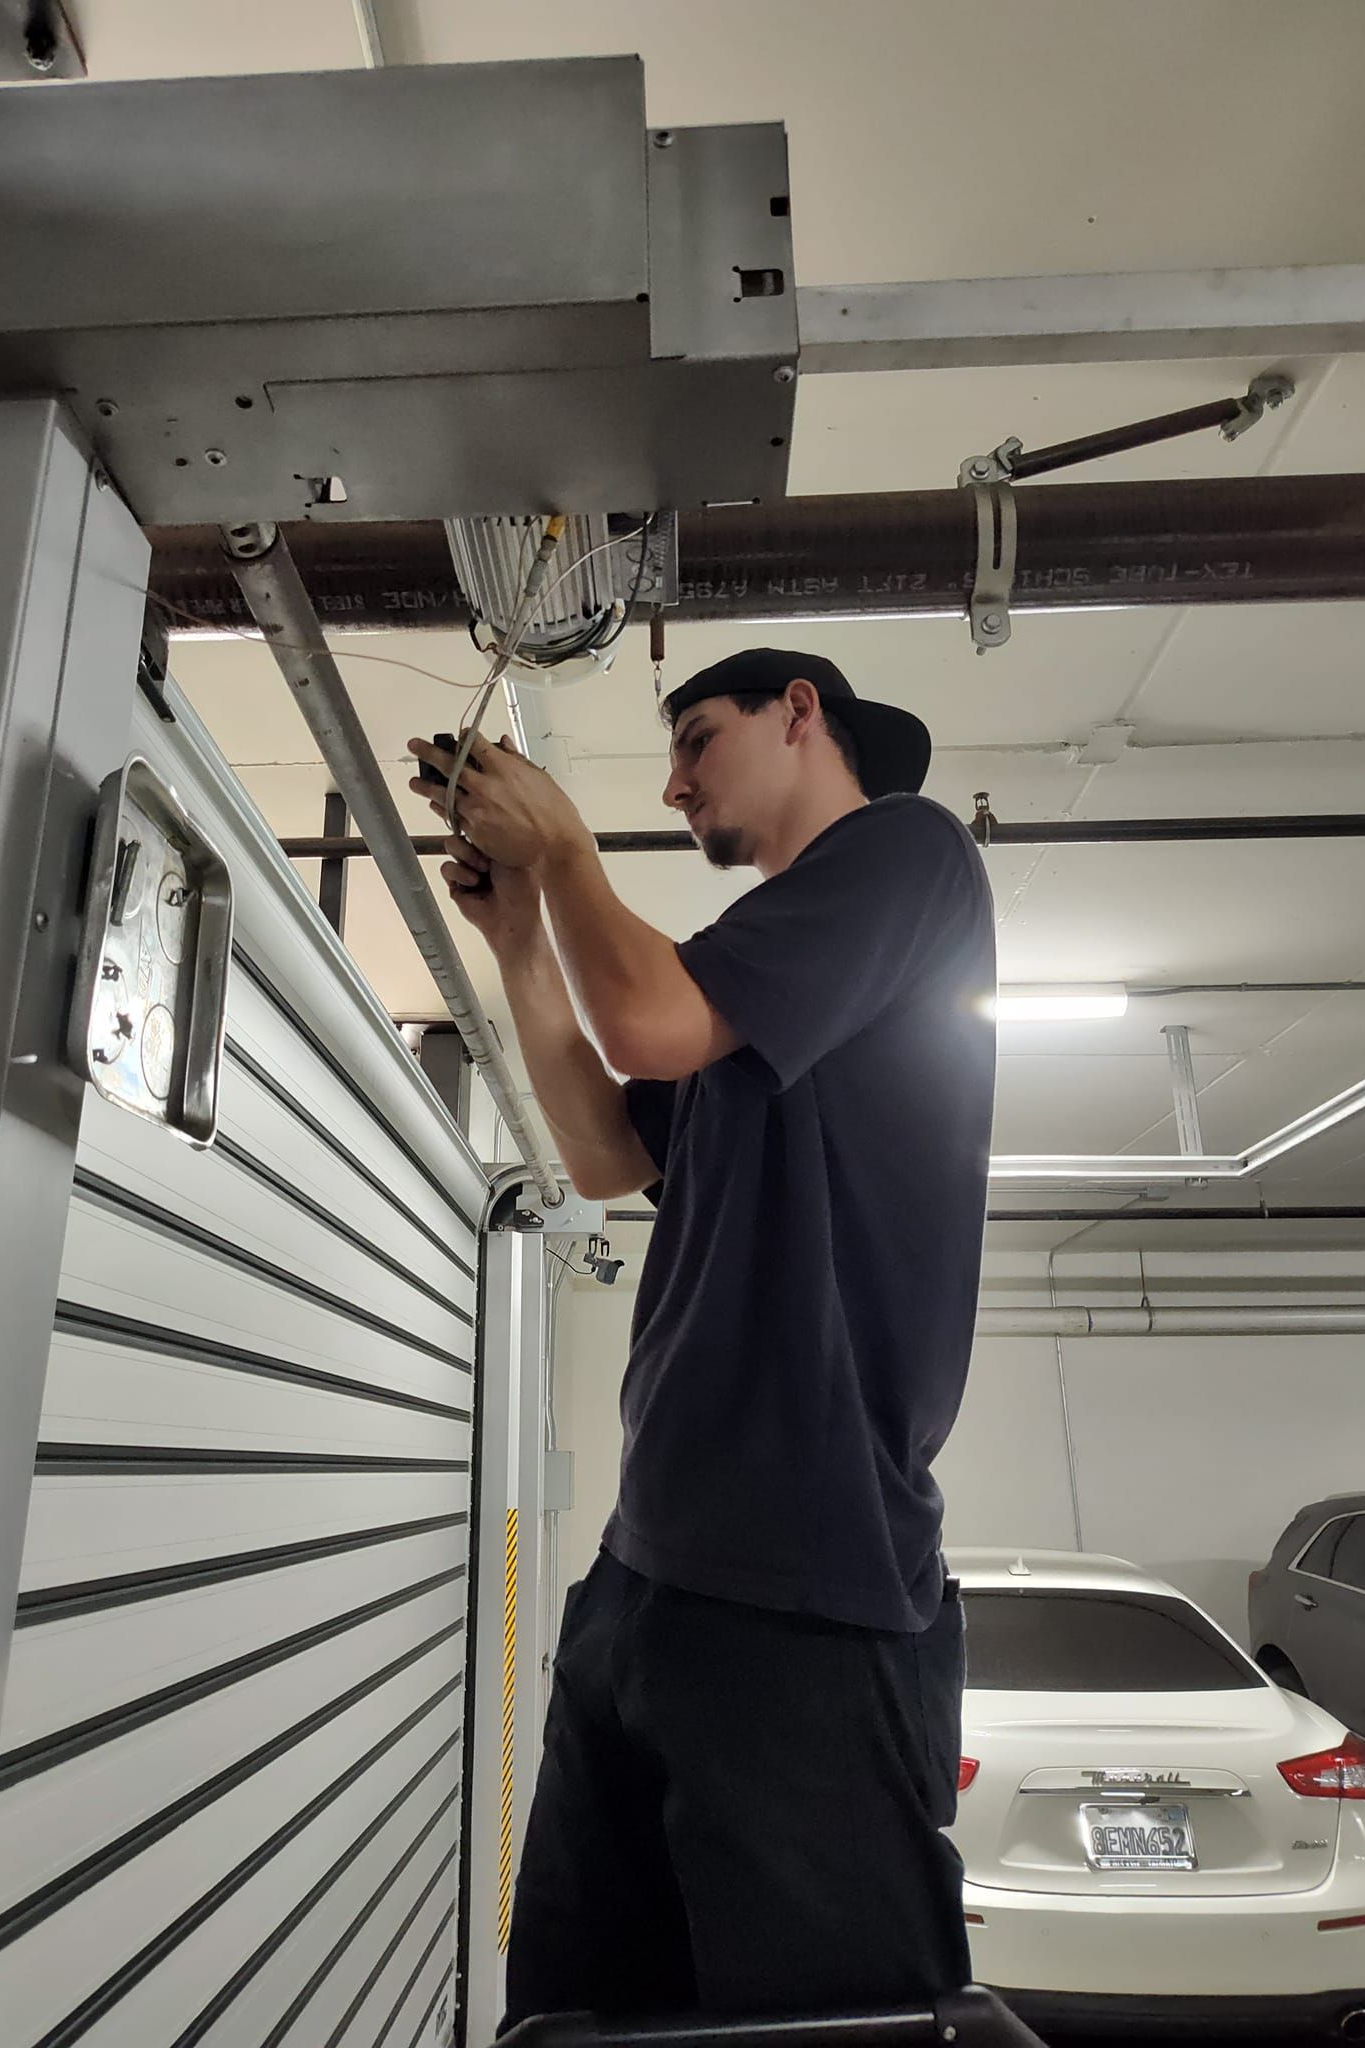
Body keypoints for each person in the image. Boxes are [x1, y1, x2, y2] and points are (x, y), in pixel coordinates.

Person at [408, 647, 996, 2025]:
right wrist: (517, 941)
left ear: (803, 715)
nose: (672, 784)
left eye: (695, 740)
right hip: (646, 1579)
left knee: (822, 2024)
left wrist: (562, 854)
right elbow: (611, 1150)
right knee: (579, 2014)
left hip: (805, 1587)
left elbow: (649, 1020)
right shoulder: (774, 1002)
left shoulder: (905, 858)